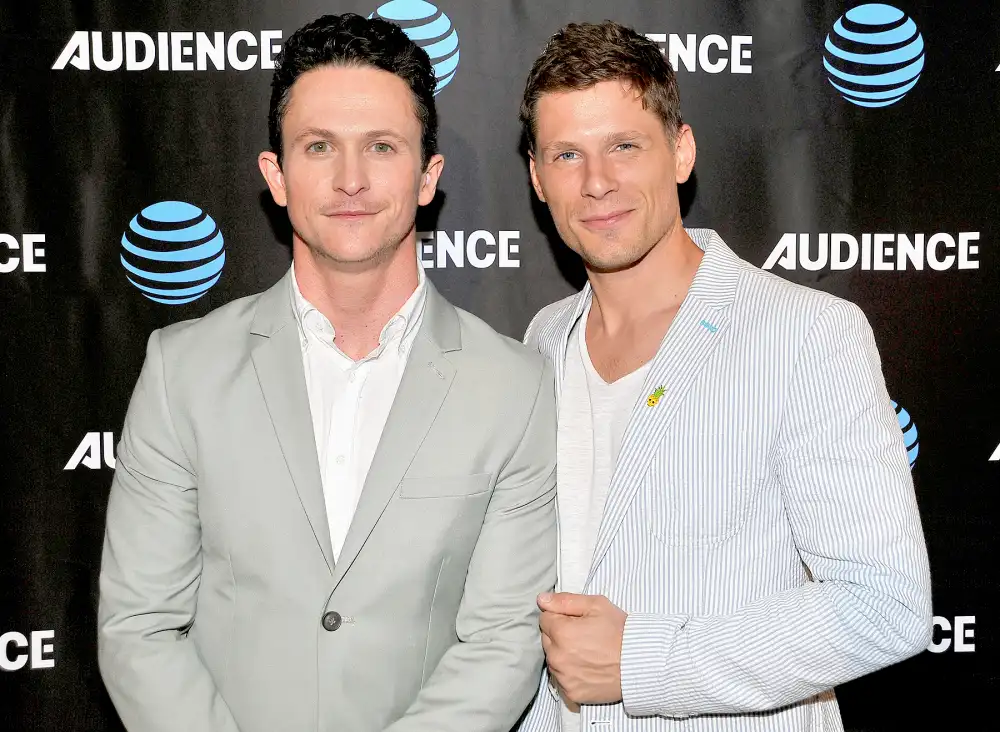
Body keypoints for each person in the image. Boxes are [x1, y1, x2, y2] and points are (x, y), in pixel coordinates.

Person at [97, 13, 556, 732]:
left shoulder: (516, 388)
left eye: (381, 146)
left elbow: (503, 641)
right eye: (319, 147)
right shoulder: (180, 372)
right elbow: (138, 626)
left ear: (428, 175)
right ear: (276, 177)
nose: (350, 179)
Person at [516, 20, 932, 732]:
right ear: (536, 177)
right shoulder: (542, 340)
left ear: (680, 152)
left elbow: (883, 606)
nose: (597, 182)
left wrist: (643, 662)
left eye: (624, 145)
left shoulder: (807, 336)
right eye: (566, 154)